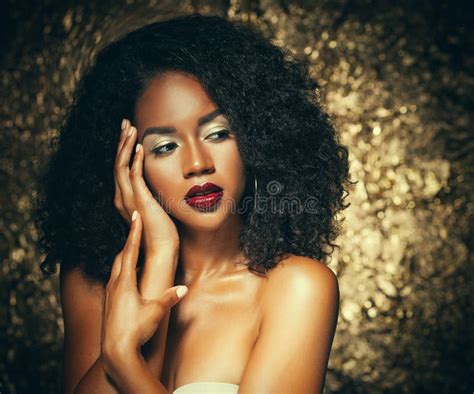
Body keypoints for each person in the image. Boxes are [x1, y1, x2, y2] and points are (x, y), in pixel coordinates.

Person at [36, 13, 352, 393]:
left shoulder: (298, 288)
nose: (198, 163)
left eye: (218, 133)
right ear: (124, 163)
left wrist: (123, 356)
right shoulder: (91, 283)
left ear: (258, 140)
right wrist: (160, 254)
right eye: (165, 146)